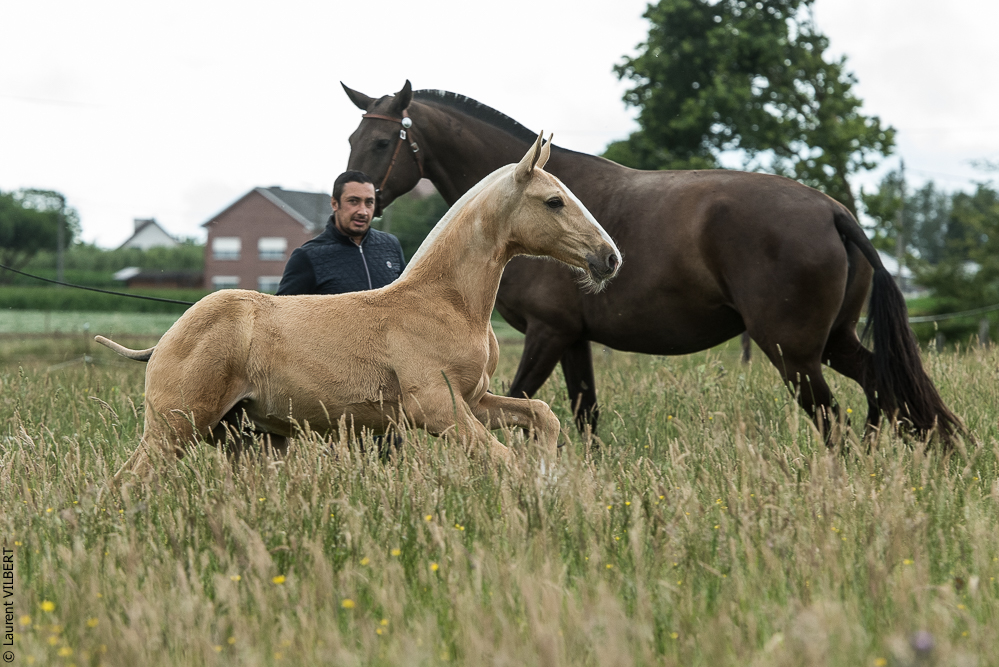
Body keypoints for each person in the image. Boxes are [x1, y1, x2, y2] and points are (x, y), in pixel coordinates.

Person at [277, 171, 406, 296]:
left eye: (369, 202)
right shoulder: (307, 256)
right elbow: (282, 309)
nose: (363, 211)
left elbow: (407, 299)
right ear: (335, 204)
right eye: (353, 201)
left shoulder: (390, 245)